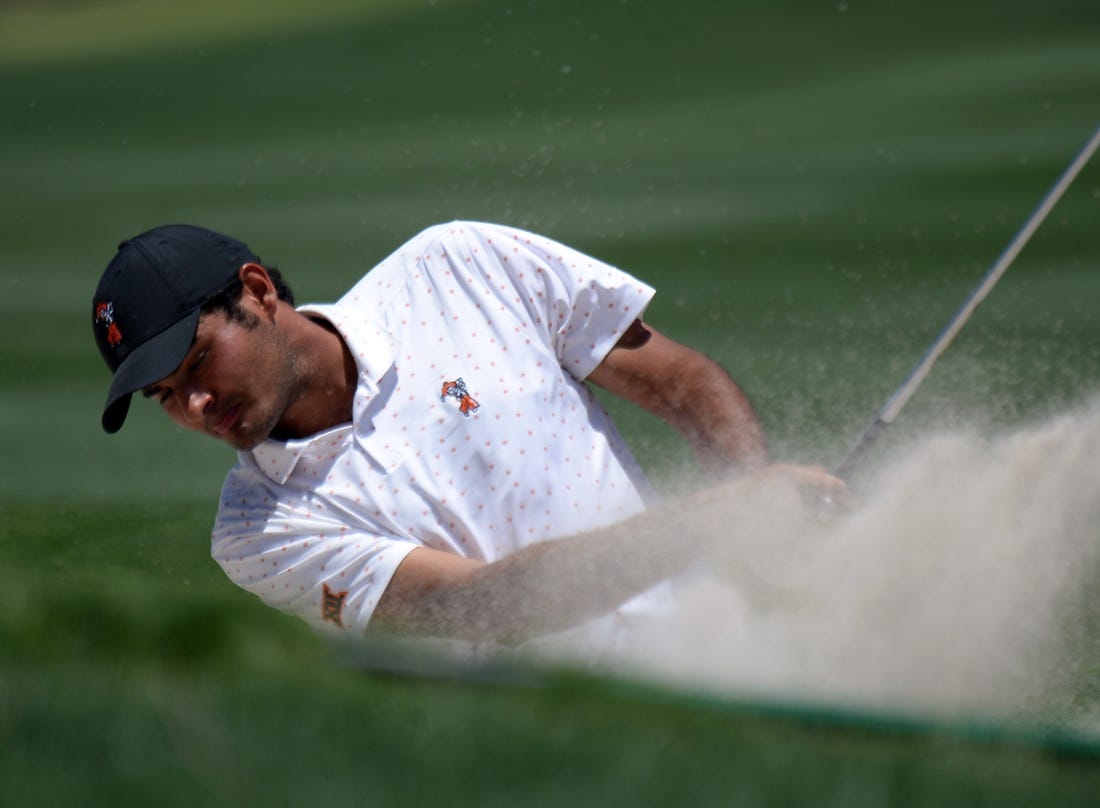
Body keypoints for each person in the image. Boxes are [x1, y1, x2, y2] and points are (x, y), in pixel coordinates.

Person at [92, 221, 844, 645]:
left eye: (196, 362)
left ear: (257, 292)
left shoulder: (456, 265)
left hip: (737, 650)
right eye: (165, 395)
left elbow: (682, 385)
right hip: (592, 748)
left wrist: (759, 524)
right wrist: (723, 520)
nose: (192, 406)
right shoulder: (257, 533)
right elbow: (490, 607)